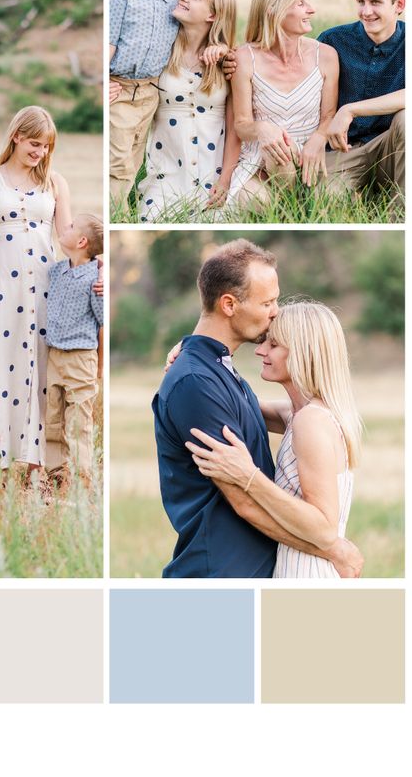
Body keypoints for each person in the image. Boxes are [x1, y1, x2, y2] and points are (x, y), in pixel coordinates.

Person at [152, 238, 363, 578]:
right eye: (268, 302)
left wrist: (196, 350)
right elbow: (244, 502)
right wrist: (332, 549)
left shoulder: (304, 413)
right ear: (229, 304)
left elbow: (247, 412)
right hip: (222, 573)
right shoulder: (199, 379)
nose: (275, 311)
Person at [186, 301, 363, 578]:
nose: (260, 350)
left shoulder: (311, 422)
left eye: (274, 344)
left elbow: (324, 528)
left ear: (304, 353)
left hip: (307, 574)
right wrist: (190, 354)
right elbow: (234, 403)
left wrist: (248, 476)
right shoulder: (299, 414)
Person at [0, 107, 69, 472]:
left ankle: (40, 462)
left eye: (45, 146)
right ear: (16, 136)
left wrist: (97, 264)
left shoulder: (54, 183)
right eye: (33, 143)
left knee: (44, 372)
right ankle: (4, 459)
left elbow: (69, 237)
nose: (39, 152)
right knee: (2, 369)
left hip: (46, 289)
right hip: (1, 289)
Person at [227, 0, 339, 206]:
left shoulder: (326, 56)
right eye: (300, 4)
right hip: (260, 159)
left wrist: (318, 138)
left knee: (285, 150)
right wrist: (262, 129)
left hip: (310, 157)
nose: (311, 9)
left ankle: (296, 202)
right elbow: (241, 124)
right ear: (273, 11)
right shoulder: (244, 58)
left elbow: (329, 116)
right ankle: (287, 205)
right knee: (255, 202)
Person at [136, 0, 239, 221]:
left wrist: (225, 180)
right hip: (166, 174)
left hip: (212, 177)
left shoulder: (227, 62)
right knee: (151, 218)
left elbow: (236, 127)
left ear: (212, 15)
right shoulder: (161, 51)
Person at [320, 0, 405, 201]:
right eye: (361, 1)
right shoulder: (333, 40)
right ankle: (363, 191)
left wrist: (351, 109)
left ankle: (401, 212)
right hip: (341, 151)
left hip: (392, 149)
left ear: (399, 5)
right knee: (322, 203)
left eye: (375, 2)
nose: (366, 11)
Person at [108, 0, 180, 209]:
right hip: (122, 88)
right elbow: (110, 44)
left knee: (136, 154)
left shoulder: (174, 6)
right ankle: (115, 211)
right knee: (119, 156)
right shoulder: (122, 1)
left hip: (150, 90)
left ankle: (121, 205)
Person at [44, 213, 104, 488]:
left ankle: (82, 479)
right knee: (53, 417)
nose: (63, 227)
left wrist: (100, 365)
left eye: (70, 226)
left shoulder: (95, 281)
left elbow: (103, 323)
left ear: (81, 241)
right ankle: (56, 473)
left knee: (79, 421)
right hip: (54, 355)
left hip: (81, 358)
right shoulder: (57, 271)